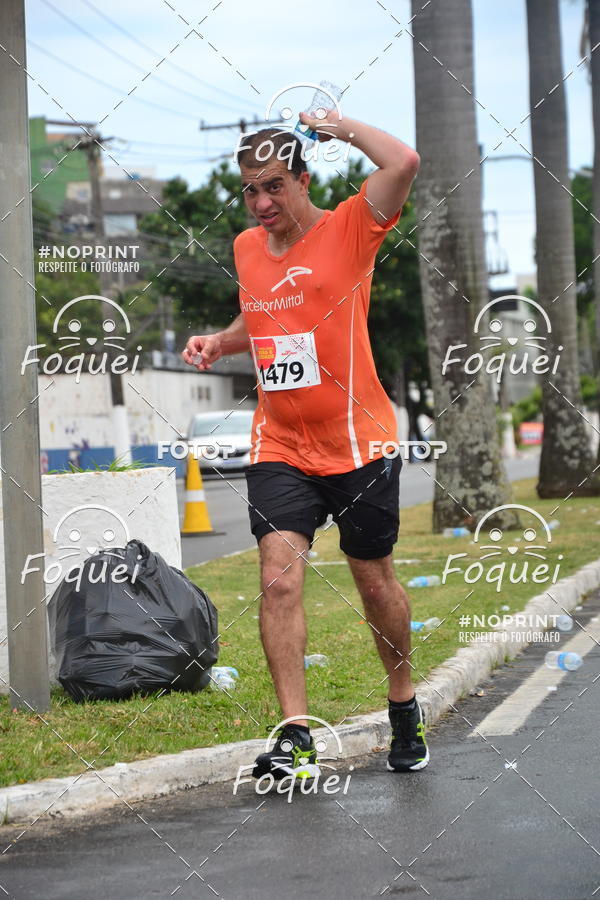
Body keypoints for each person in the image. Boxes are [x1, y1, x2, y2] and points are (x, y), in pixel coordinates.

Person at [182, 109, 428, 778]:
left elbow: (402, 162)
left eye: (274, 187)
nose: (261, 204)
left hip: (359, 444)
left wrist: (341, 124)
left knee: (373, 581)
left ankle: (403, 702)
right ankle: (295, 735)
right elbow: (262, 314)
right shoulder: (244, 248)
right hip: (280, 443)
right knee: (277, 578)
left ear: (301, 178)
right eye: (250, 191)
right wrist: (221, 340)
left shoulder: (349, 225)